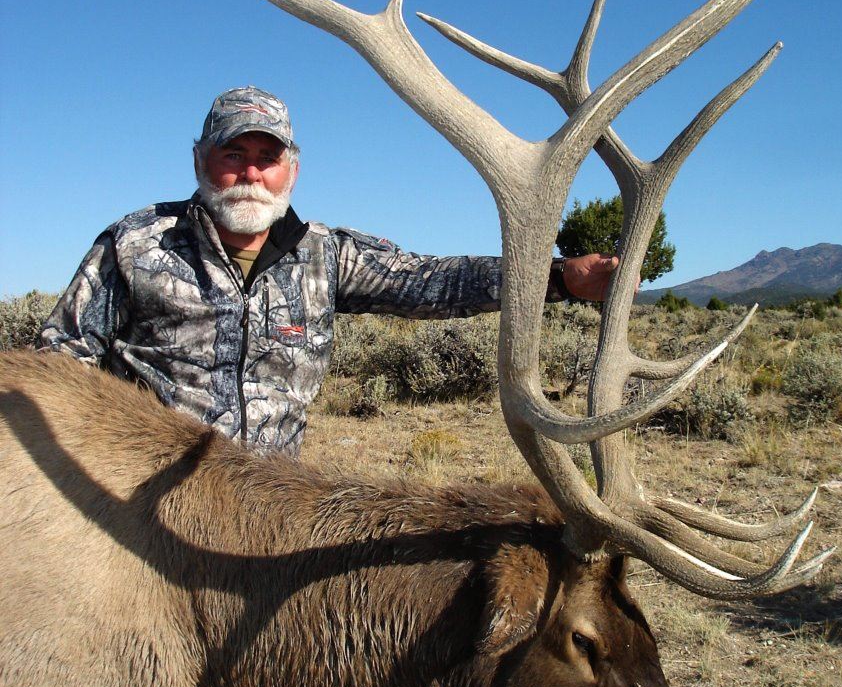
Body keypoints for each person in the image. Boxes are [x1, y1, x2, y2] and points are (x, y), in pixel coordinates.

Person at [38, 86, 619, 454]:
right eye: (233, 154)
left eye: (267, 158)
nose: (251, 173)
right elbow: (59, 361)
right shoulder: (136, 244)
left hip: (271, 512)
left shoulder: (322, 254)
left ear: (291, 170)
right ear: (200, 161)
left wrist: (559, 278)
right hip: (141, 510)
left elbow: (432, 282)